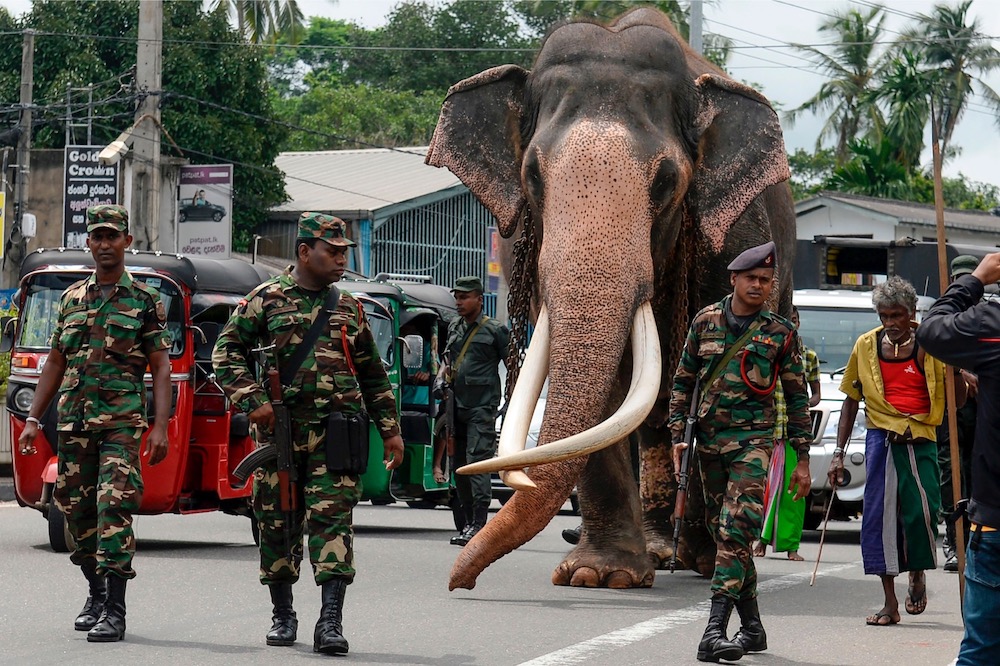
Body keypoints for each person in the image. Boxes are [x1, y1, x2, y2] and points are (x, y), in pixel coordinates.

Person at [212, 212, 404, 656]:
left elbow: (374, 375)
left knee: (332, 522)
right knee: (276, 525)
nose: (340, 260)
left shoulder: (349, 307)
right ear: (304, 251)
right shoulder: (265, 300)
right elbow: (226, 354)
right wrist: (252, 399)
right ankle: (283, 614)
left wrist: (391, 432)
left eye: (343, 253)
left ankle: (330, 621)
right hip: (280, 436)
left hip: (336, 435)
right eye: (331, 251)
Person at [17, 204, 172, 643]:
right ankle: (96, 592)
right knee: (77, 515)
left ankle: (115, 610)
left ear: (127, 242)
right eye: (97, 236)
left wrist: (159, 426)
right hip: (74, 425)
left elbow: (160, 367)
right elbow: (55, 363)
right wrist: (33, 419)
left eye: (112, 236)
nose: (105, 244)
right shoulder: (70, 301)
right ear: (89, 243)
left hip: (121, 425)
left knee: (113, 509)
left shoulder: (144, 302)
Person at [669, 241, 812, 663]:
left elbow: (798, 398)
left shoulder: (780, 333)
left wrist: (802, 458)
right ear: (734, 278)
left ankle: (713, 631)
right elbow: (682, 384)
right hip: (708, 443)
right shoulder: (705, 321)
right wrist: (679, 434)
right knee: (725, 532)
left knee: (736, 531)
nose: (759, 285)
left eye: (766, 280)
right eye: (751, 278)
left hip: (754, 444)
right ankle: (753, 628)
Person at [827, 275, 964, 628]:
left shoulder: (933, 344)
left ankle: (917, 573)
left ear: (912, 312)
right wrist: (838, 453)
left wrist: (957, 372)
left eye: (897, 315)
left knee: (921, 515)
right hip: (881, 439)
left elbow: (957, 402)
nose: (891, 324)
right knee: (878, 521)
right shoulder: (866, 345)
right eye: (884, 316)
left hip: (921, 438)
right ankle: (889, 602)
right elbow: (850, 400)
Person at [916, 251, 1000, 664]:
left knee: (982, 649)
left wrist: (974, 280)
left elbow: (932, 330)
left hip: (996, 516)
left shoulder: (992, 326)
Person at [439, 275, 509, 547]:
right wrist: (439, 379)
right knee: (459, 467)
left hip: (481, 407)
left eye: (464, 297)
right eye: (456, 297)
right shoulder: (455, 325)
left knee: (477, 463)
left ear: (479, 299)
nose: (459, 302)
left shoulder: (495, 330)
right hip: (455, 405)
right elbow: (447, 360)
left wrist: (510, 402)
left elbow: (513, 365)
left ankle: (479, 523)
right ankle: (467, 521)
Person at [757, 306, 821, 562]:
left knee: (794, 492)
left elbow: (816, 393)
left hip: (794, 435)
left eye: (795, 320)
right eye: (788, 321)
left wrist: (804, 402)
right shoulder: (766, 350)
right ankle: (760, 542)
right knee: (765, 489)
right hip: (769, 432)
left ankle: (792, 546)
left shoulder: (808, 356)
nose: (792, 325)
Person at [936, 255, 978, 573]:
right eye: (958, 279)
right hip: (949, 406)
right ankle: (954, 540)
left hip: (981, 409)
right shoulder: (943, 316)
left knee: (977, 471)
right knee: (951, 473)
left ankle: (976, 541)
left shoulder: (987, 314)